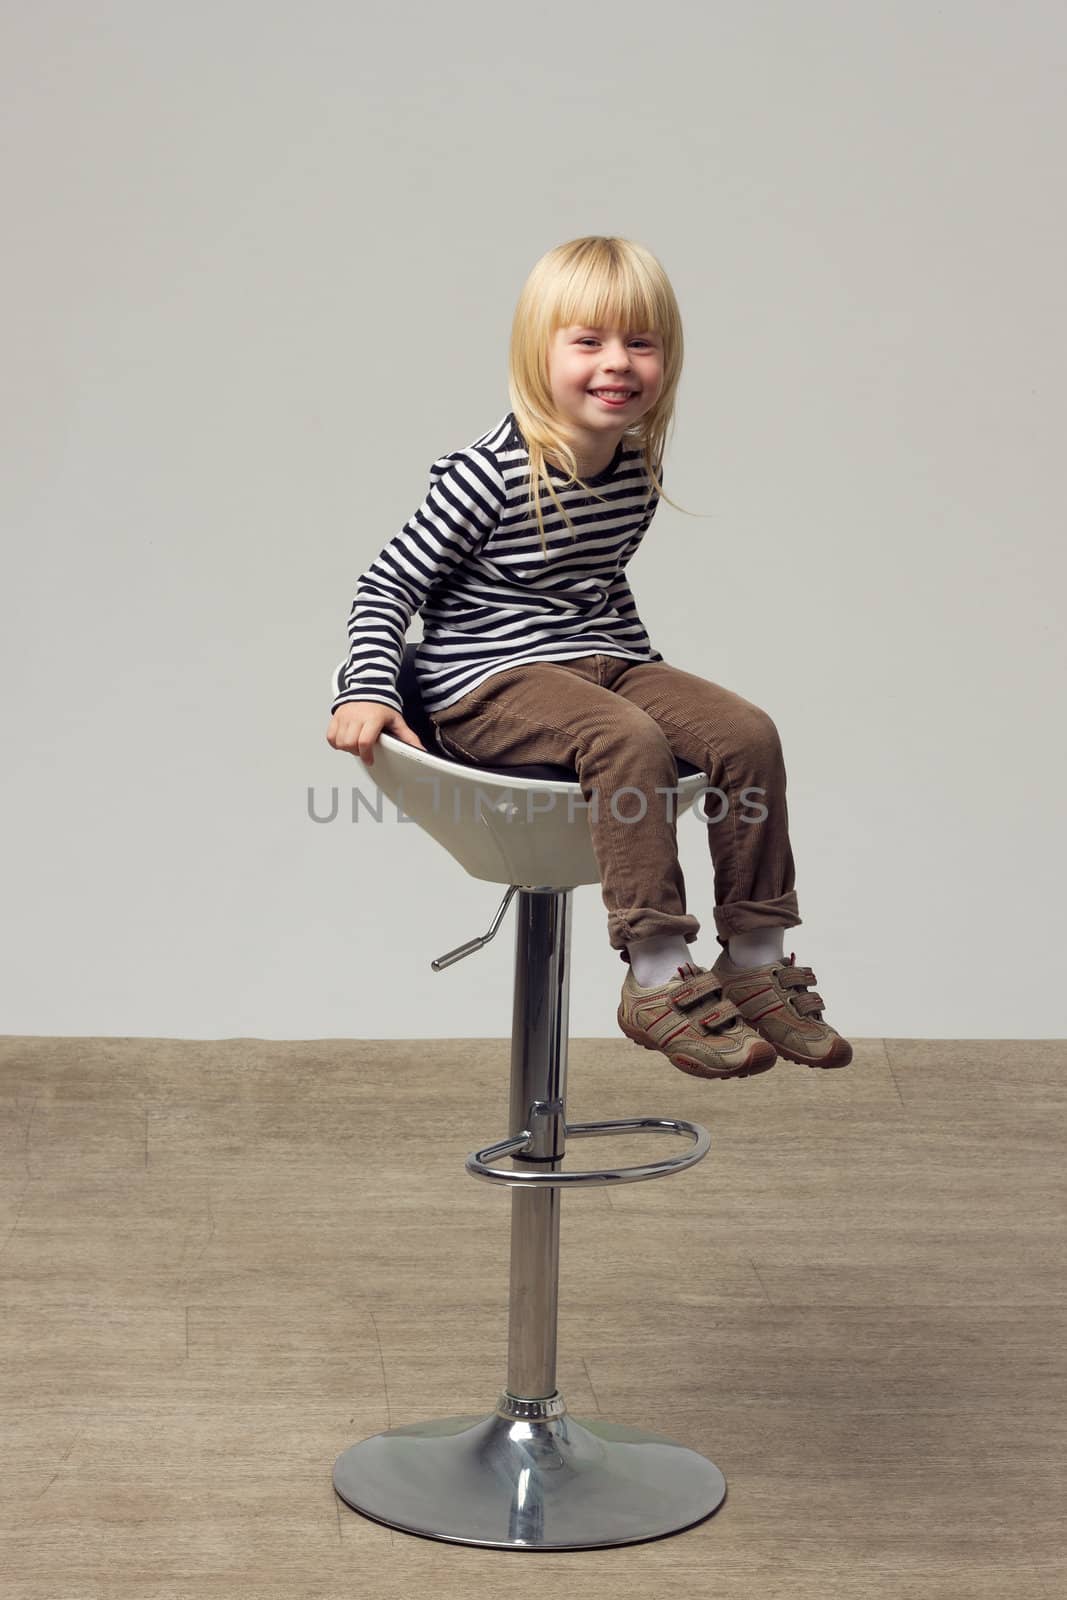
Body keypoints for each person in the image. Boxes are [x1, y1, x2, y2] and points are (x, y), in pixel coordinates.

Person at [326, 235, 852, 1080]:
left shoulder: (632, 468)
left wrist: (658, 686)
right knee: (623, 740)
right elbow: (385, 584)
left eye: (640, 343)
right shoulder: (484, 476)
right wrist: (363, 689)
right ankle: (652, 970)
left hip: (596, 658)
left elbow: (600, 586)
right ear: (538, 356)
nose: (617, 363)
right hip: (487, 680)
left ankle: (754, 956)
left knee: (745, 731)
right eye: (588, 342)